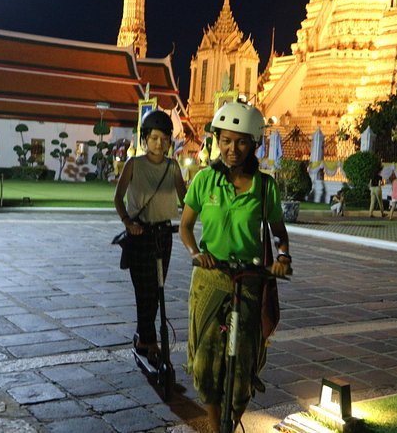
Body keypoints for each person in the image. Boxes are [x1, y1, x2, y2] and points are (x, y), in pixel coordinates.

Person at [179, 102, 292, 432]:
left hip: (249, 280)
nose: (232, 149)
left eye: (241, 141)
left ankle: (233, 421)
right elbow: (186, 226)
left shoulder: (265, 187)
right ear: (217, 140)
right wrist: (196, 252)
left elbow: (279, 233)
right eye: (226, 140)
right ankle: (215, 426)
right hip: (210, 279)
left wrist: (282, 257)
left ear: (253, 144)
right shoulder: (204, 181)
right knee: (203, 363)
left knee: (242, 367)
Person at [113, 110, 186, 364]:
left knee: (157, 290)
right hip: (140, 234)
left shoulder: (173, 167)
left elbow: (187, 200)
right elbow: (118, 199)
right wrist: (128, 223)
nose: (159, 143)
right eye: (154, 138)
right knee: (143, 291)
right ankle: (149, 340)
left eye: (164, 138)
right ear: (145, 139)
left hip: (163, 234)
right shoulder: (134, 165)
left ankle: (145, 337)